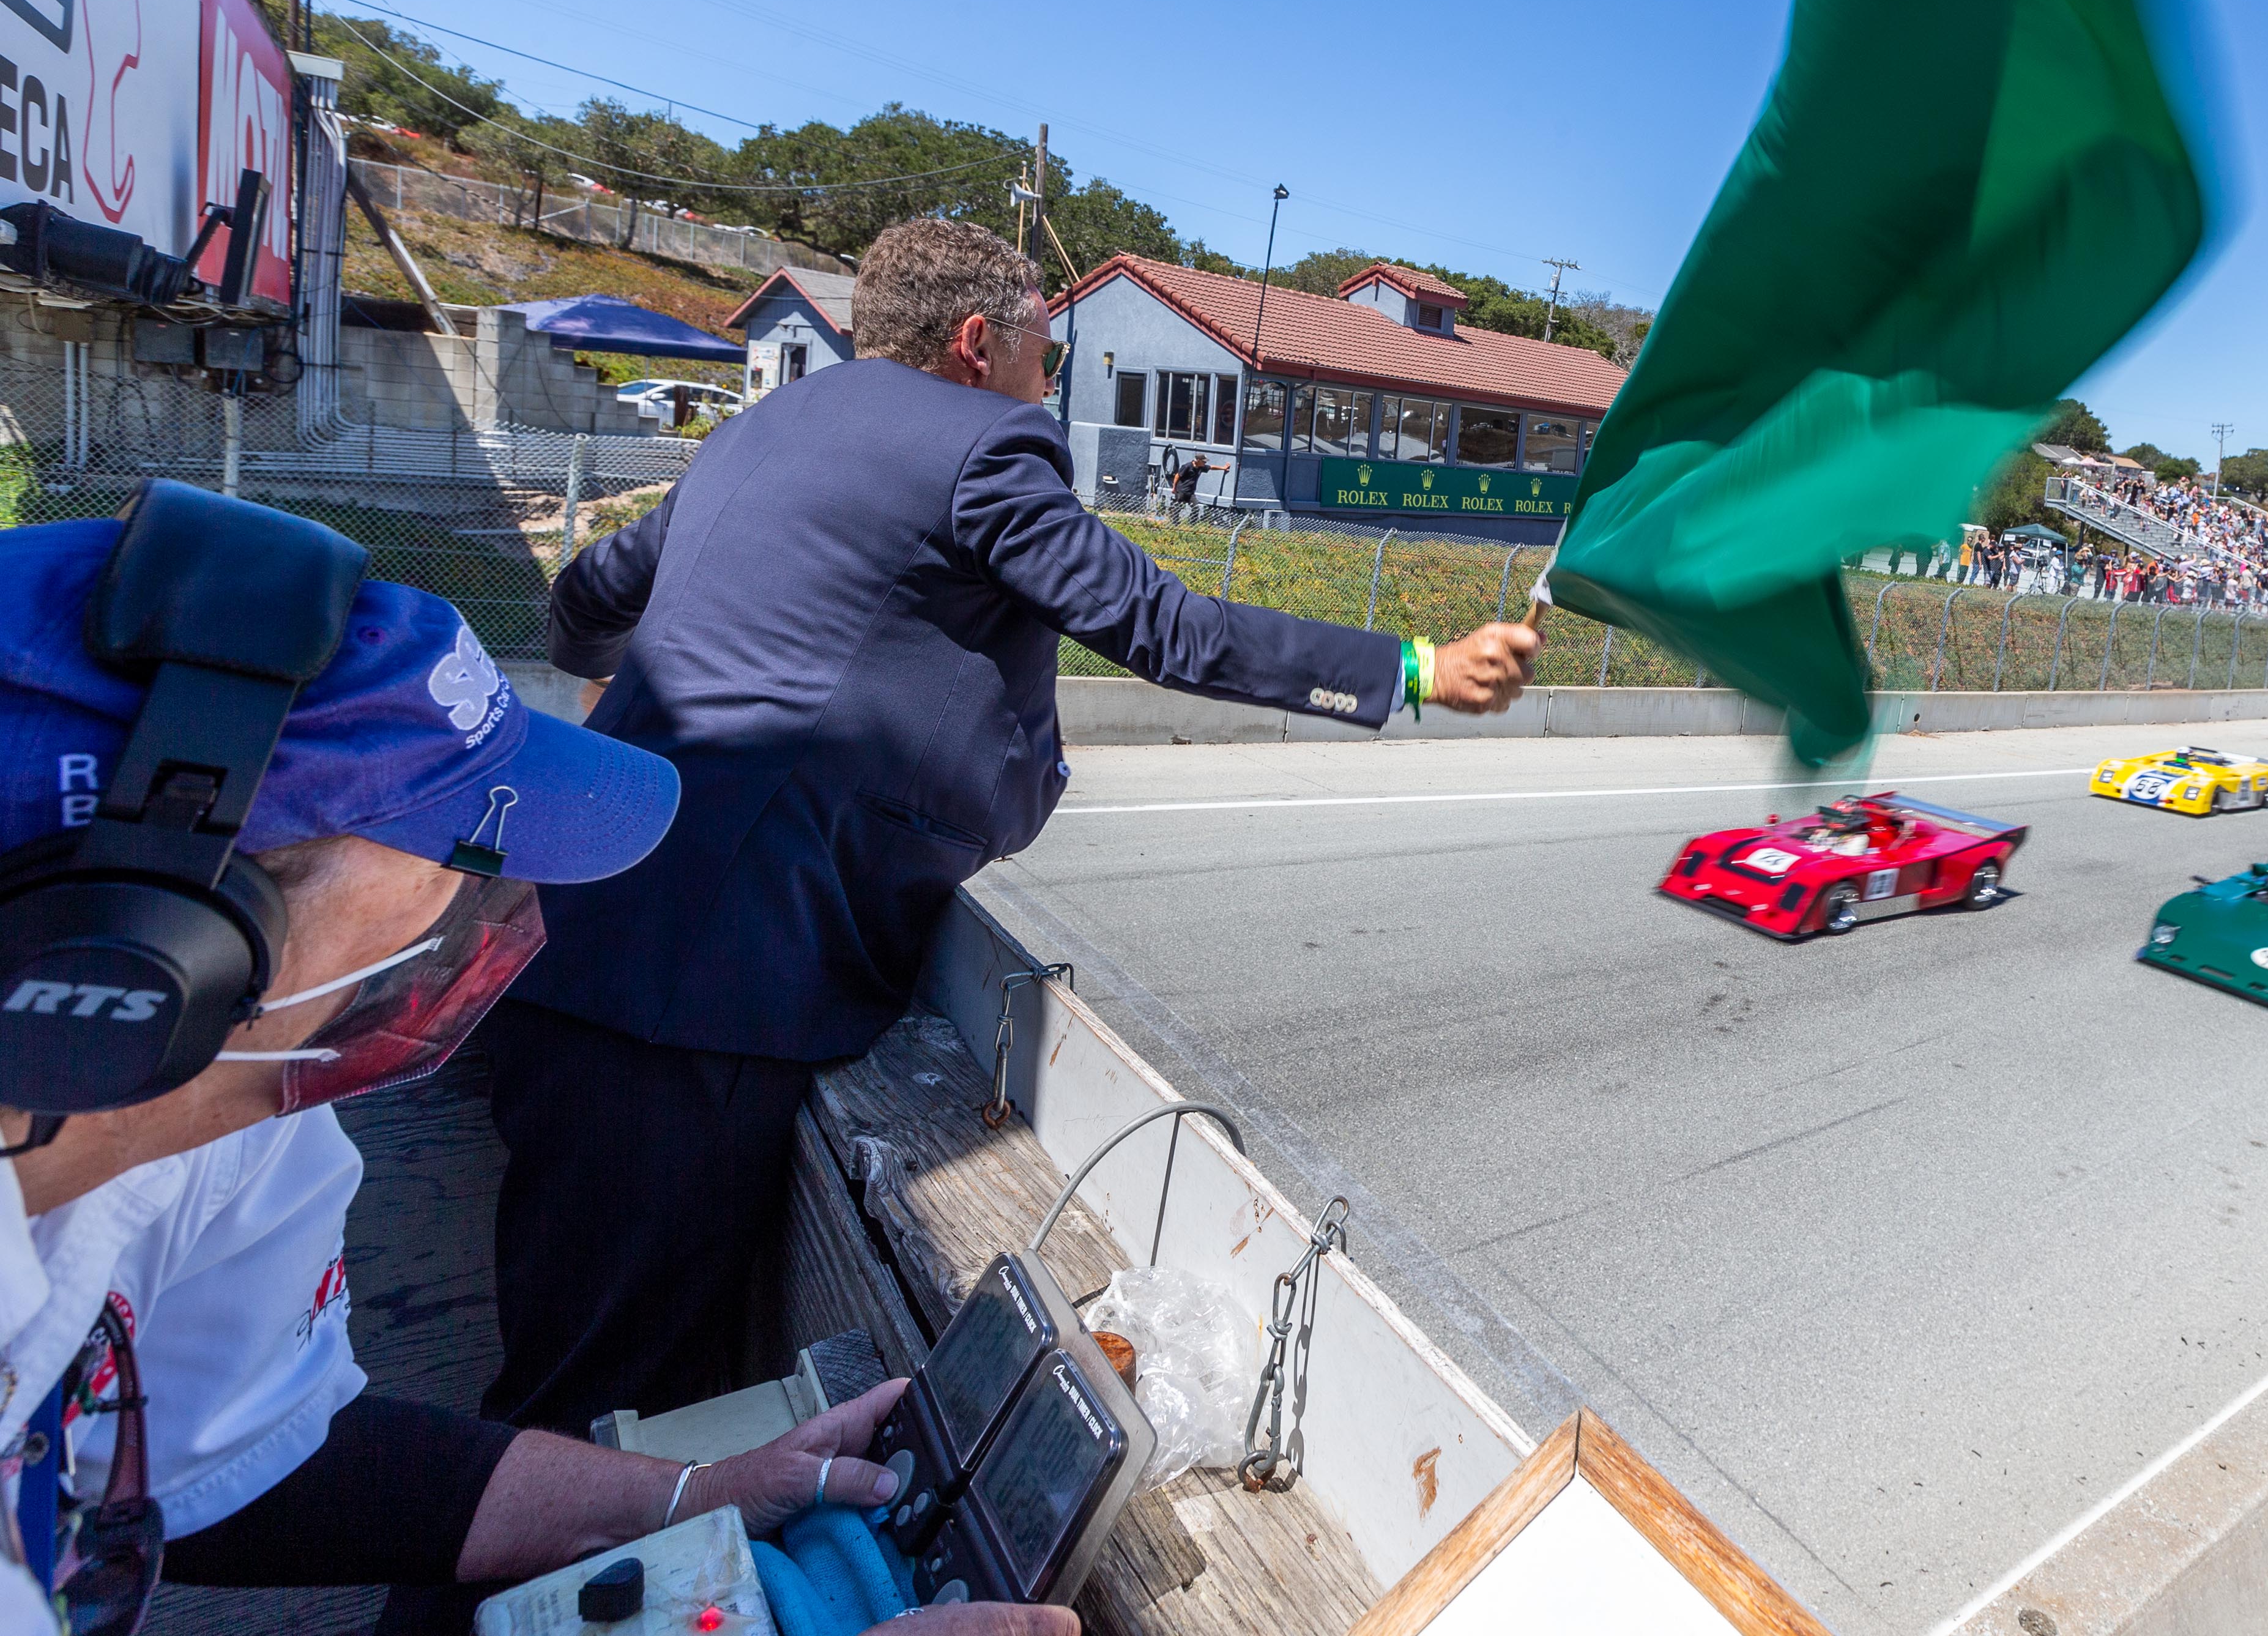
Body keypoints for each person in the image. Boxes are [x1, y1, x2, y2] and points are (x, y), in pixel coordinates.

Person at [486, 218, 1544, 1437]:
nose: (1055, 374)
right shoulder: (984, 445)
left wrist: (631, 691)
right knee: (580, 1434)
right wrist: (1414, 664)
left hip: (569, 928)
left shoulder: (759, 430)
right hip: (701, 994)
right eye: (1052, 344)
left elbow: (585, 603)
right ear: (980, 341)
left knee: (585, 1387)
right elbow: (1169, 630)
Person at [0, 486, 1071, 1636]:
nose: (481, 919)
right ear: (149, 949)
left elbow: (259, 1464)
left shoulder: (229, 1124)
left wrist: (695, 1496)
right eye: (449, 855)